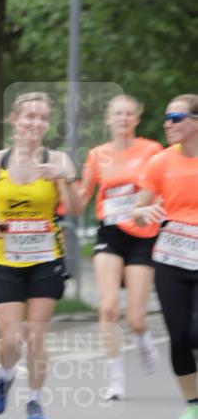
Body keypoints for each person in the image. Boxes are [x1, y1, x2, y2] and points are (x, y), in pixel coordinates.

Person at [0, 92, 80, 419]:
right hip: (5, 257)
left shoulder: (58, 159)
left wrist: (63, 178)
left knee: (36, 334)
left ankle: (34, 400)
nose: (36, 123)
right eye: (29, 116)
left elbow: (75, 208)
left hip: (46, 257)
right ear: (14, 119)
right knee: (11, 336)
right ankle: (5, 374)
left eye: (43, 118)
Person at [78, 95, 163, 399]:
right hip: (110, 233)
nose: (123, 119)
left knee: (135, 318)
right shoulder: (97, 155)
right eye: (118, 114)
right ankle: (116, 380)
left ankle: (142, 338)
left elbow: (164, 187)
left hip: (142, 234)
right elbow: (81, 197)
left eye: (129, 114)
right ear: (108, 119)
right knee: (108, 307)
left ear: (136, 119)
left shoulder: (152, 150)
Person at [132, 94, 198, 419]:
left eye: (175, 118)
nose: (167, 124)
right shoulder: (160, 162)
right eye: (166, 118)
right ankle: (192, 406)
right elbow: (138, 210)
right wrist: (143, 211)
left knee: (196, 332)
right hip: (171, 258)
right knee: (180, 335)